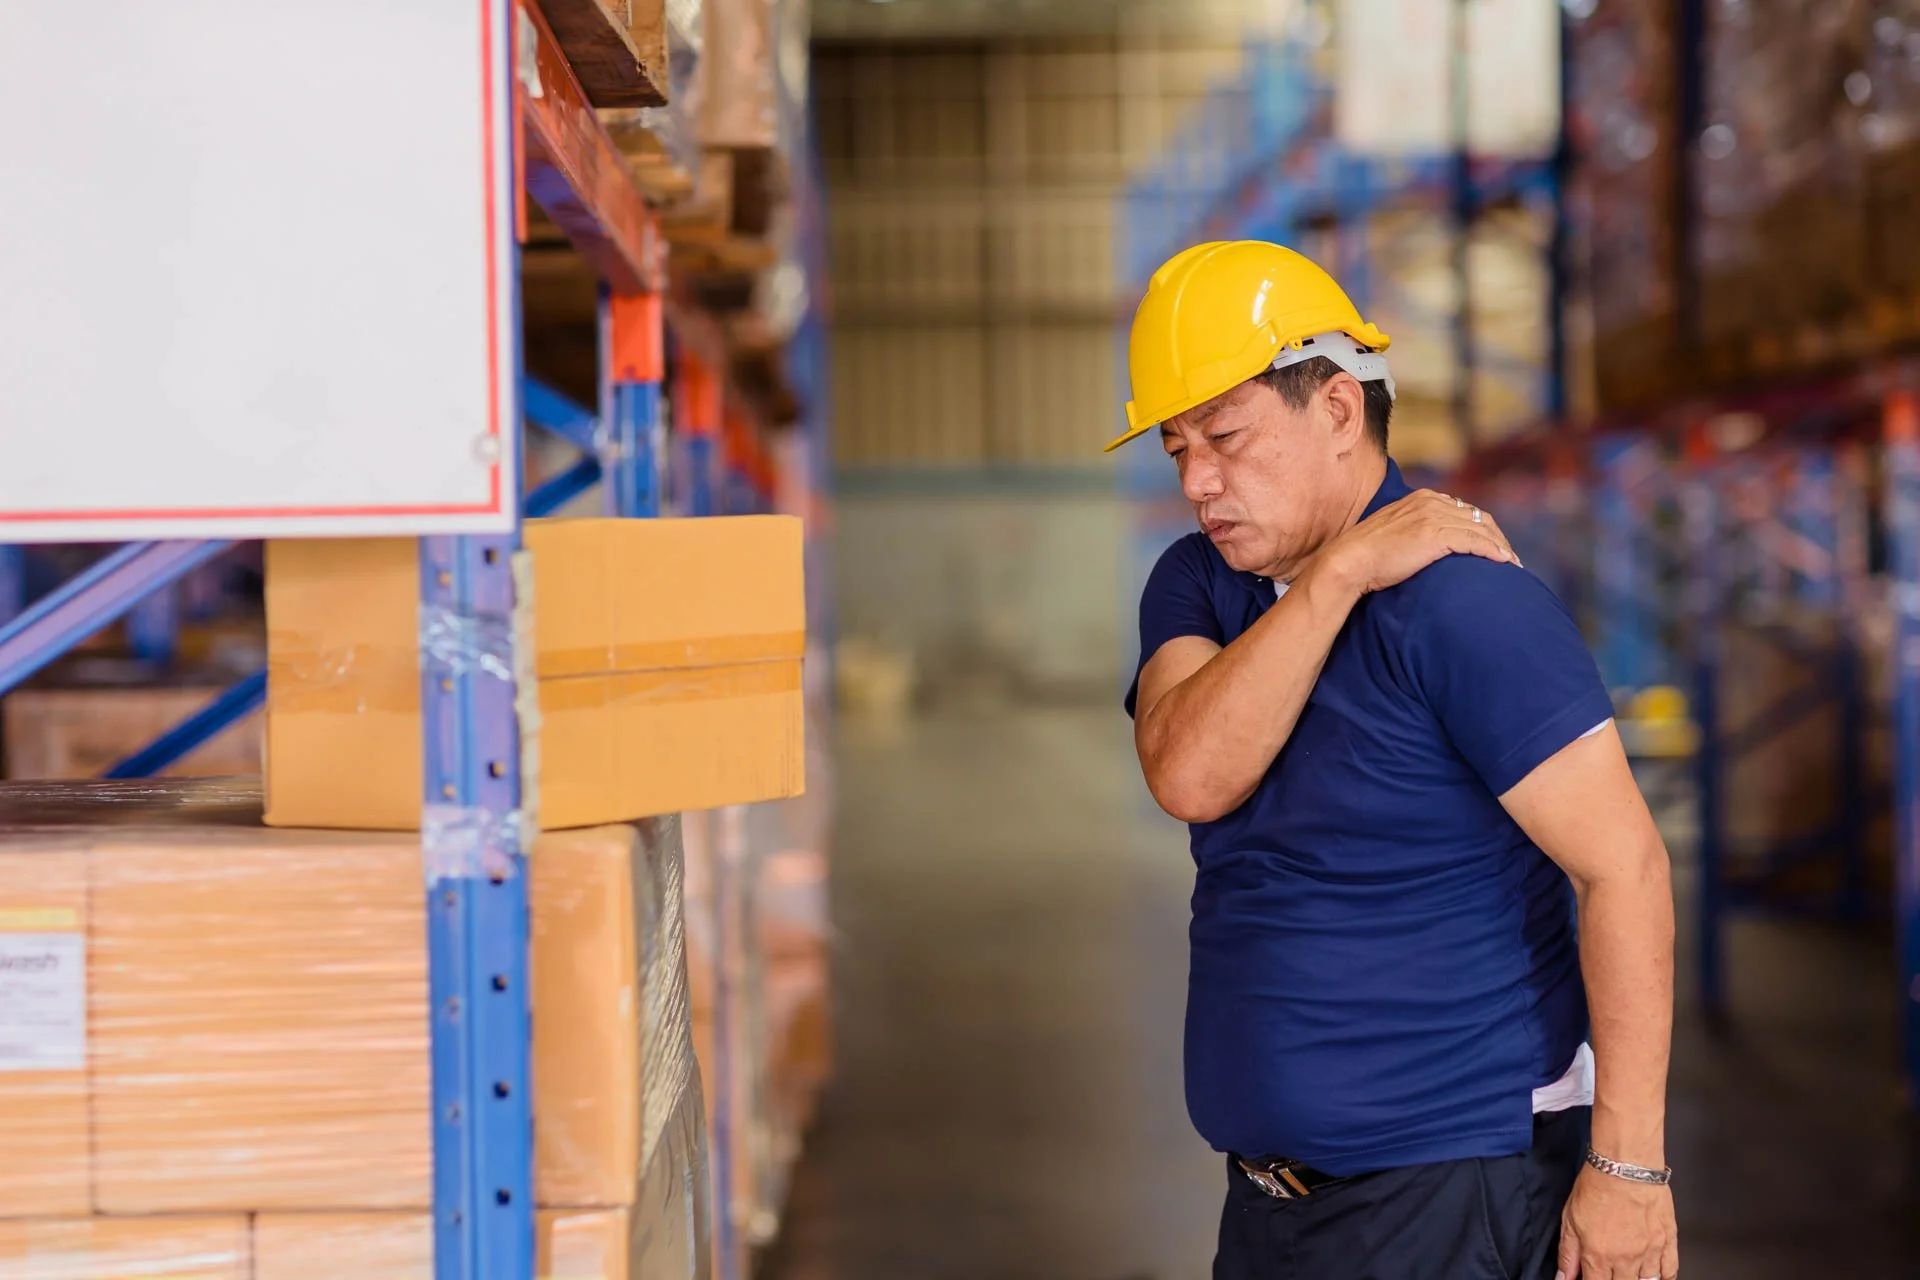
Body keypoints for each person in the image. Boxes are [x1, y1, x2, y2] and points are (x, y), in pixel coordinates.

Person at [1111, 241, 1678, 1280]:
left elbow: (1625, 869)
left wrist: (1630, 1166)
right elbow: (1189, 770)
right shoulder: (1200, 583)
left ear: (1336, 409)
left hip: (1447, 1189)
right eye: (1177, 446)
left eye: (1226, 436)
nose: (1198, 480)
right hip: (1271, 1201)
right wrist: (1337, 577)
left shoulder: (1466, 605)